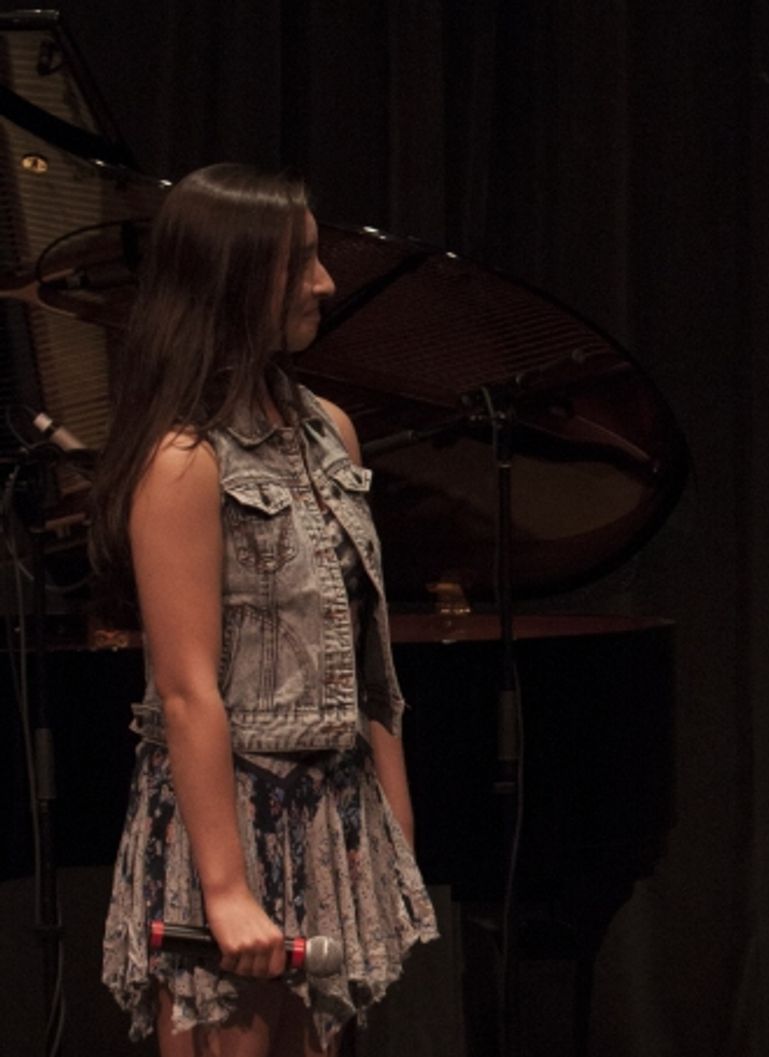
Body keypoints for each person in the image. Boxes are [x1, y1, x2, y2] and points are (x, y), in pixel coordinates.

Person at [91, 164, 438, 1055]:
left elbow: (367, 655)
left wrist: (393, 832)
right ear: (237, 284)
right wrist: (225, 888)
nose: (325, 284)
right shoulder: (183, 460)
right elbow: (185, 694)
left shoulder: (329, 429)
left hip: (332, 814)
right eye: (303, 265)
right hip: (232, 815)